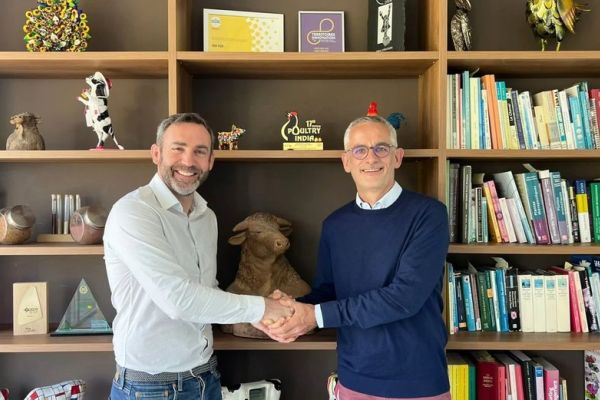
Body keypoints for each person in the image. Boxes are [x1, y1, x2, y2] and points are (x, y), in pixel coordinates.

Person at [259, 115, 450, 399]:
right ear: (346, 161)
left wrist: (314, 316)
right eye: (360, 150)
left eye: (381, 148)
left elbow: (404, 297)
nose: (370, 158)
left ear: (397, 157)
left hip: (417, 380)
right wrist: (287, 311)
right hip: (352, 379)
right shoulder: (335, 224)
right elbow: (329, 292)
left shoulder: (428, 215)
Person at [104, 113, 292, 400]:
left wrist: (257, 317)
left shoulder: (206, 217)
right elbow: (178, 300)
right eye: (177, 149)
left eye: (200, 152)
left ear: (210, 161)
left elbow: (205, 291)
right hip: (150, 389)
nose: (188, 161)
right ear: (156, 154)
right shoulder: (133, 212)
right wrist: (262, 308)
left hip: (206, 376)